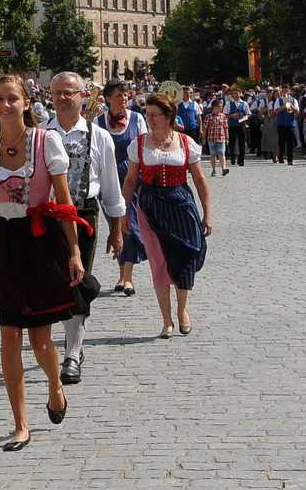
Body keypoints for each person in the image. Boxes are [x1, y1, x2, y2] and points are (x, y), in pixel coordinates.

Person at [0, 74, 83, 451]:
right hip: (3, 244)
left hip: (39, 243)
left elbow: (65, 201)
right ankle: (20, 423)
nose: (5, 105)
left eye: (13, 99)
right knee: (8, 336)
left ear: (26, 103)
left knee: (40, 341)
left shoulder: (46, 141)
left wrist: (75, 252)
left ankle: (54, 384)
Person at [43, 73, 125, 386]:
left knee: (77, 282)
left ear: (83, 96)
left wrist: (116, 230)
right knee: (54, 284)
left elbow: (112, 188)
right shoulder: (39, 135)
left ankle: (72, 353)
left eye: (69, 93)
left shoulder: (99, 136)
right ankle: (55, 345)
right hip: (49, 216)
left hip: (84, 214)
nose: (63, 98)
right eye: (57, 93)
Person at [119, 94, 213, 340]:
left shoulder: (186, 142)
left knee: (184, 256)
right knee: (158, 261)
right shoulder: (139, 143)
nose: (149, 119)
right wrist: (123, 213)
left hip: (180, 203)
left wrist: (207, 214)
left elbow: (200, 180)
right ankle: (166, 320)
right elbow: (130, 180)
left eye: (154, 114)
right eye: (147, 114)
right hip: (149, 204)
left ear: (168, 117)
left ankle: (182, 309)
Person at [96, 82, 147, 294]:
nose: (123, 99)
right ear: (107, 99)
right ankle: (122, 275)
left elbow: (145, 146)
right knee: (115, 226)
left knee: (130, 225)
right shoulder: (98, 122)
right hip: (108, 178)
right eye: (118, 96)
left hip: (132, 178)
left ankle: (127, 278)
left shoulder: (137, 119)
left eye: (125, 95)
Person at [201, 100, 229, 178]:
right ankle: (214, 169)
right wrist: (203, 137)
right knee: (213, 154)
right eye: (220, 106)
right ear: (215, 107)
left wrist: (227, 138)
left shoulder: (223, 116)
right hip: (212, 138)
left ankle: (223, 168)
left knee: (222, 153)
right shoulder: (208, 116)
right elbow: (205, 128)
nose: (221, 108)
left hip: (221, 137)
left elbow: (226, 127)